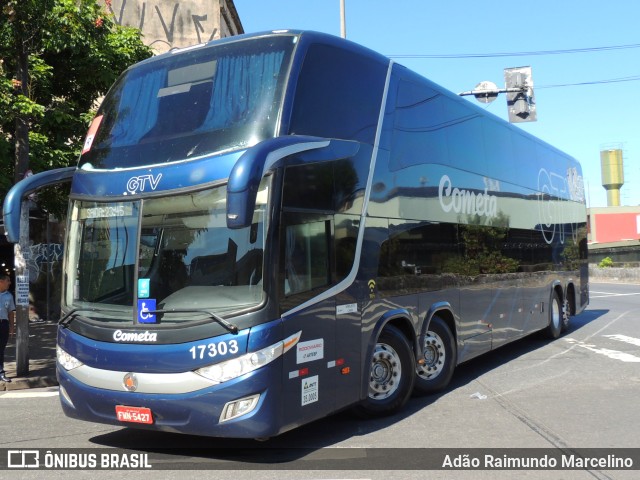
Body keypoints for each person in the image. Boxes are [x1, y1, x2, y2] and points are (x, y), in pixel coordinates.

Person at [0, 273, 16, 383]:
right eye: (8, 280)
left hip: (3, 324)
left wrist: (11, 327)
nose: (10, 283)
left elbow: (10, 313)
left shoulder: (9, 296)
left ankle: (1, 373)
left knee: (1, 349)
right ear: (1, 281)